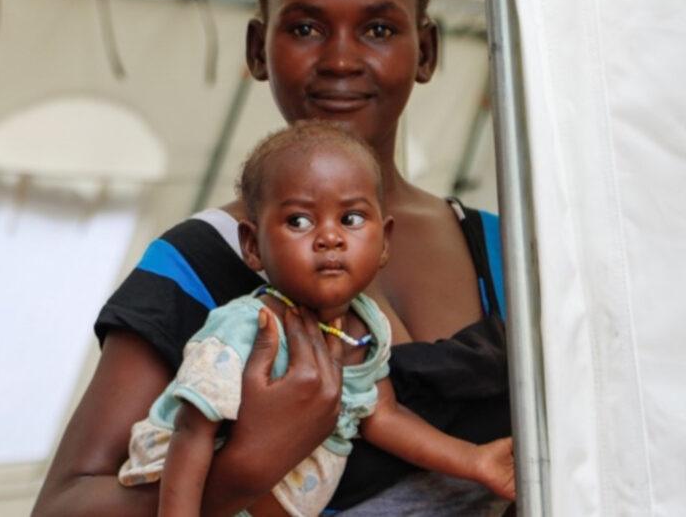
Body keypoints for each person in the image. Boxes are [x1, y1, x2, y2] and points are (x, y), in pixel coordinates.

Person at [33, 0, 510, 514]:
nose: (340, 59)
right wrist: (244, 468)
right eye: (306, 28)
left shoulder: (505, 250)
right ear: (257, 49)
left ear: (426, 52)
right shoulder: (197, 263)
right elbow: (62, 506)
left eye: (378, 29)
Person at [117, 122, 515, 516]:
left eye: (352, 219)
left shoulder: (367, 326)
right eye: (299, 222)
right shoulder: (246, 330)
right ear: (253, 247)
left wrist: (475, 461)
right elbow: (191, 435)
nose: (330, 237)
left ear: (384, 243)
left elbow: (383, 415)